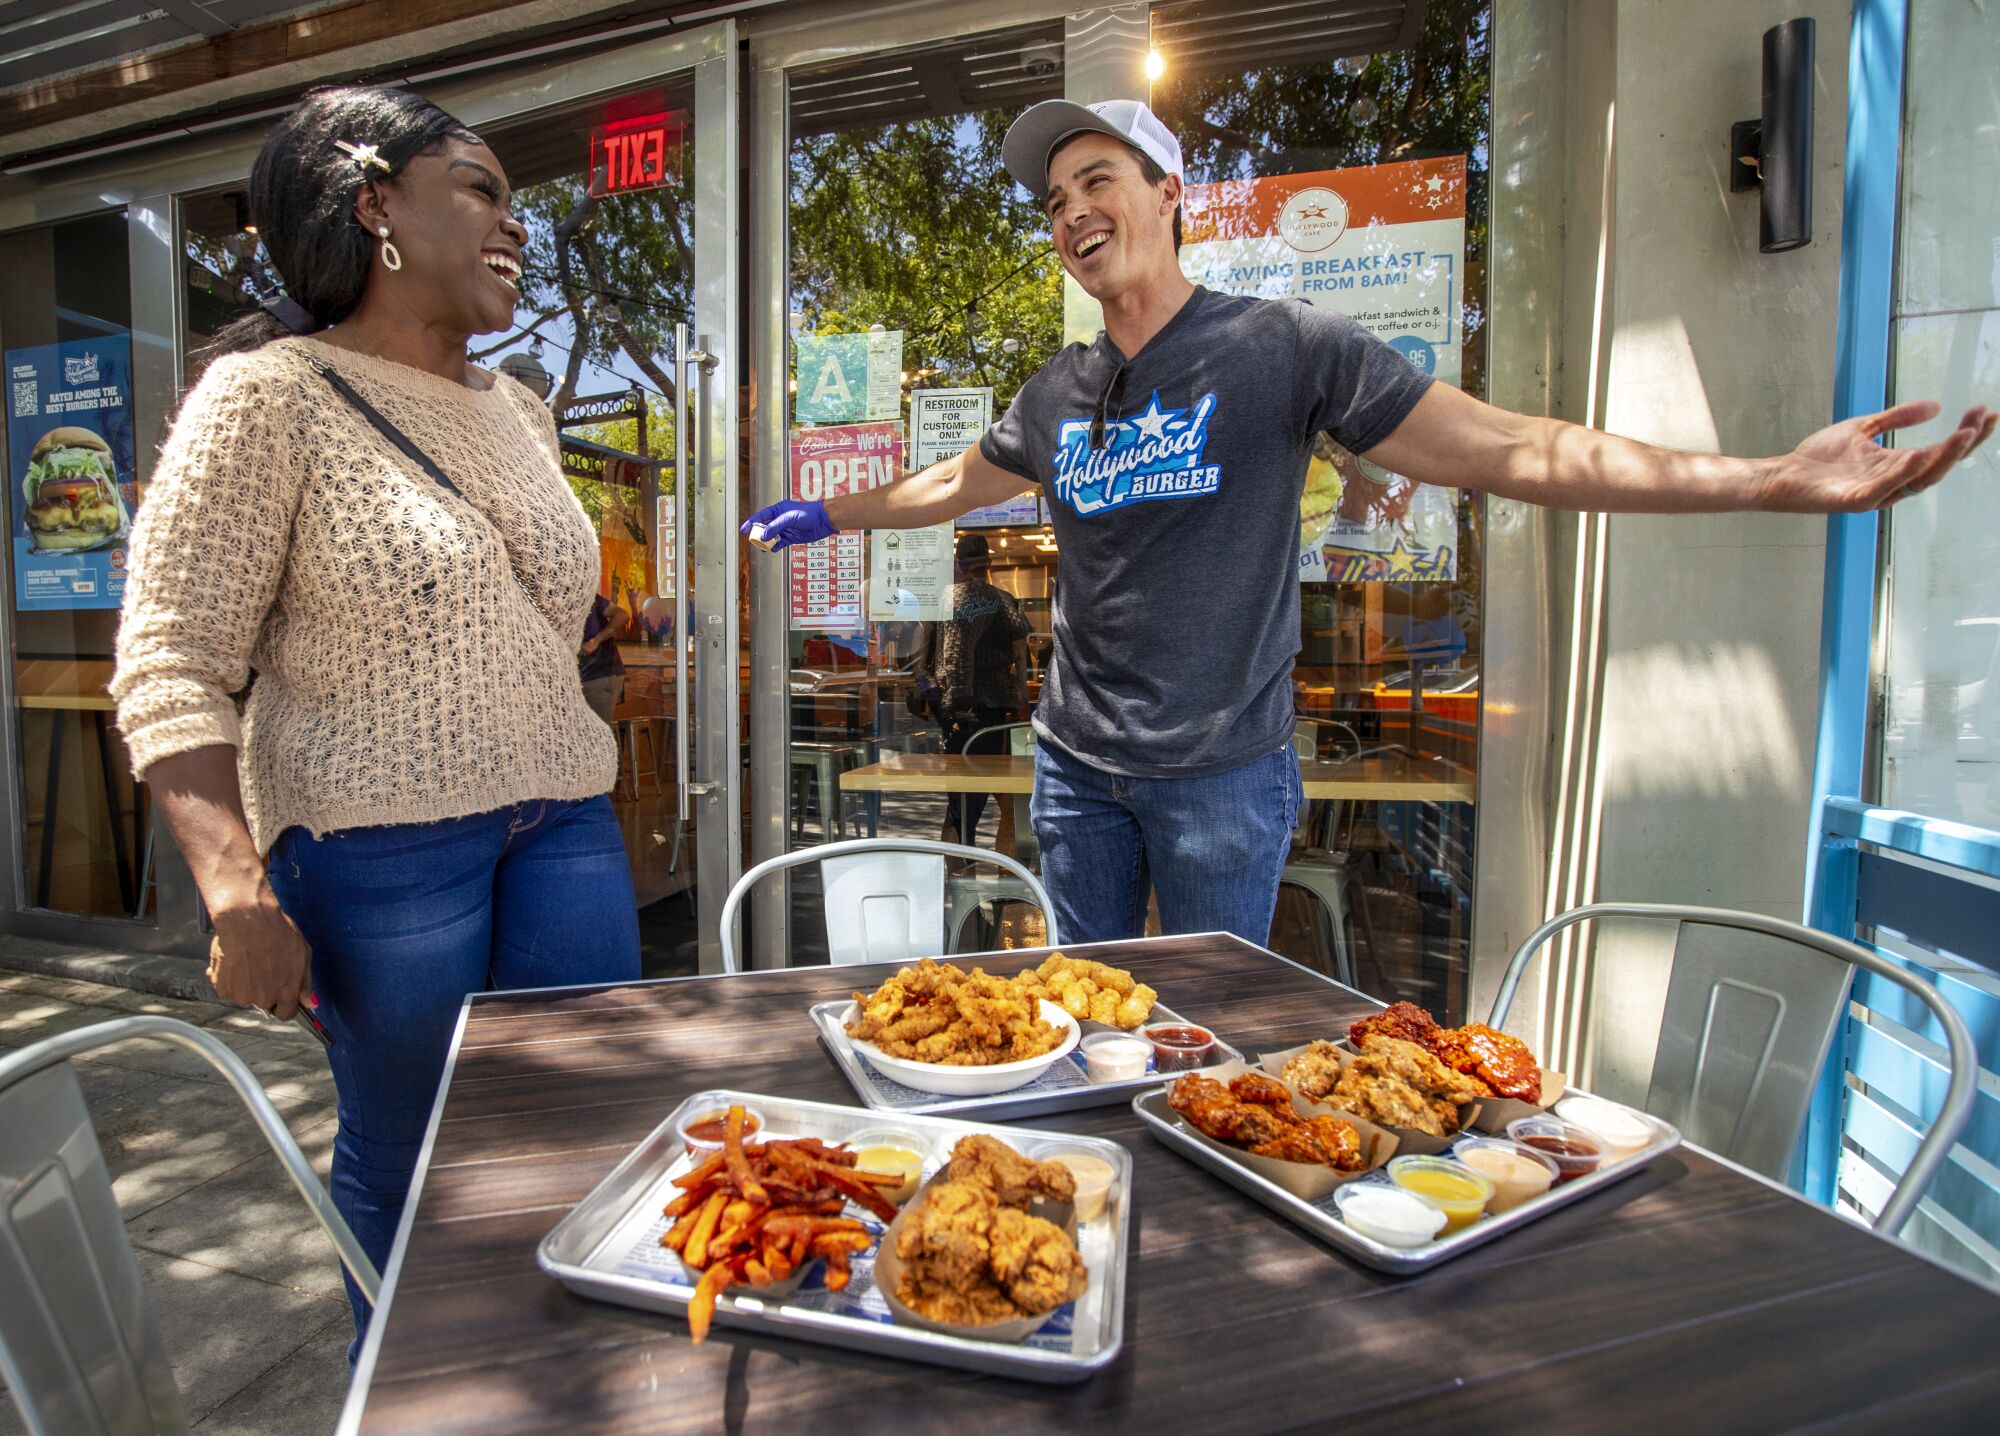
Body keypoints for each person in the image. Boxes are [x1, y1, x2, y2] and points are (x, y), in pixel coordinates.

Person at [743, 98, 1995, 950]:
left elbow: (1515, 447)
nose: (1070, 211)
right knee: (1085, 1013)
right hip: (1075, 769)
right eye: (1054, 197)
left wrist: (1767, 477)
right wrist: (822, 512)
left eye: (1096, 180)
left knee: (1197, 1040)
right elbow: (956, 481)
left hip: (1222, 778)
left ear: (1166, 193)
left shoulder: (1279, 347)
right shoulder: (1058, 390)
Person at [110, 86, 640, 1359]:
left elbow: (537, 612)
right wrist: (234, 891)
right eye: (482, 188)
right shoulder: (268, 396)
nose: (517, 223)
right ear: (376, 206)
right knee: (411, 1163)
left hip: (562, 812)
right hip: (375, 846)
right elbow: (171, 652)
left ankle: (555, 1374)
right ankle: (413, 1387)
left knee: (577, 1133)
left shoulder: (516, 409)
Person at [926, 533, 1031, 846]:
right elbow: (1020, 651)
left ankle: (961, 880)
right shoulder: (1001, 600)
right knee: (993, 799)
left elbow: (925, 645)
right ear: (990, 562)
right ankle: (982, 883)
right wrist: (1022, 693)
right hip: (992, 708)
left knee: (958, 804)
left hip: (950, 708)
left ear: (959, 564)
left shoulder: (943, 598)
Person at [580, 590, 629, 722]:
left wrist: (596, 640)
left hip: (599, 673)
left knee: (596, 735)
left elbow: (622, 615)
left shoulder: (585, 596)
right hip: (592, 674)